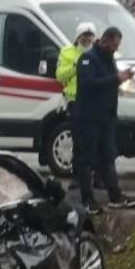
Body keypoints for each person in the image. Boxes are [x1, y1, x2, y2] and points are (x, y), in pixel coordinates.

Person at [74, 26, 135, 213]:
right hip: (88, 118)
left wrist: (119, 79)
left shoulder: (109, 59)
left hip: (106, 118)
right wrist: (116, 78)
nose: (114, 49)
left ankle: (115, 196)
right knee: (86, 159)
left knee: (108, 157)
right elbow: (89, 84)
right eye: (113, 45)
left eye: (117, 46)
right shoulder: (88, 59)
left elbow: (109, 83)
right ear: (104, 41)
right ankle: (87, 200)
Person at [56, 22, 94, 177]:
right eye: (83, 36)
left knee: (94, 142)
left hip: (93, 102)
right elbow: (59, 76)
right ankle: (77, 175)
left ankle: (95, 175)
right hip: (75, 102)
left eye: (89, 37)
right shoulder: (66, 52)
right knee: (77, 141)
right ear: (77, 37)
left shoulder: (96, 52)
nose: (86, 40)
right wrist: (75, 67)